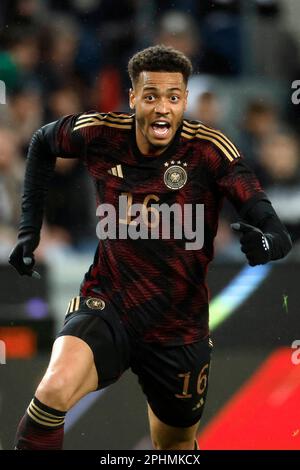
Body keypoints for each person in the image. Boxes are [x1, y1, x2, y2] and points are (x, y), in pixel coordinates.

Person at [9, 45, 292, 451]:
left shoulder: (210, 149)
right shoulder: (101, 133)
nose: (163, 108)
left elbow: (275, 231)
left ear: (185, 101)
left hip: (178, 328)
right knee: (52, 392)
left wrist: (264, 244)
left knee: (174, 448)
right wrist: (28, 230)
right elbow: (41, 142)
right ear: (132, 99)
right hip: (108, 305)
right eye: (151, 96)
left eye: (173, 98)